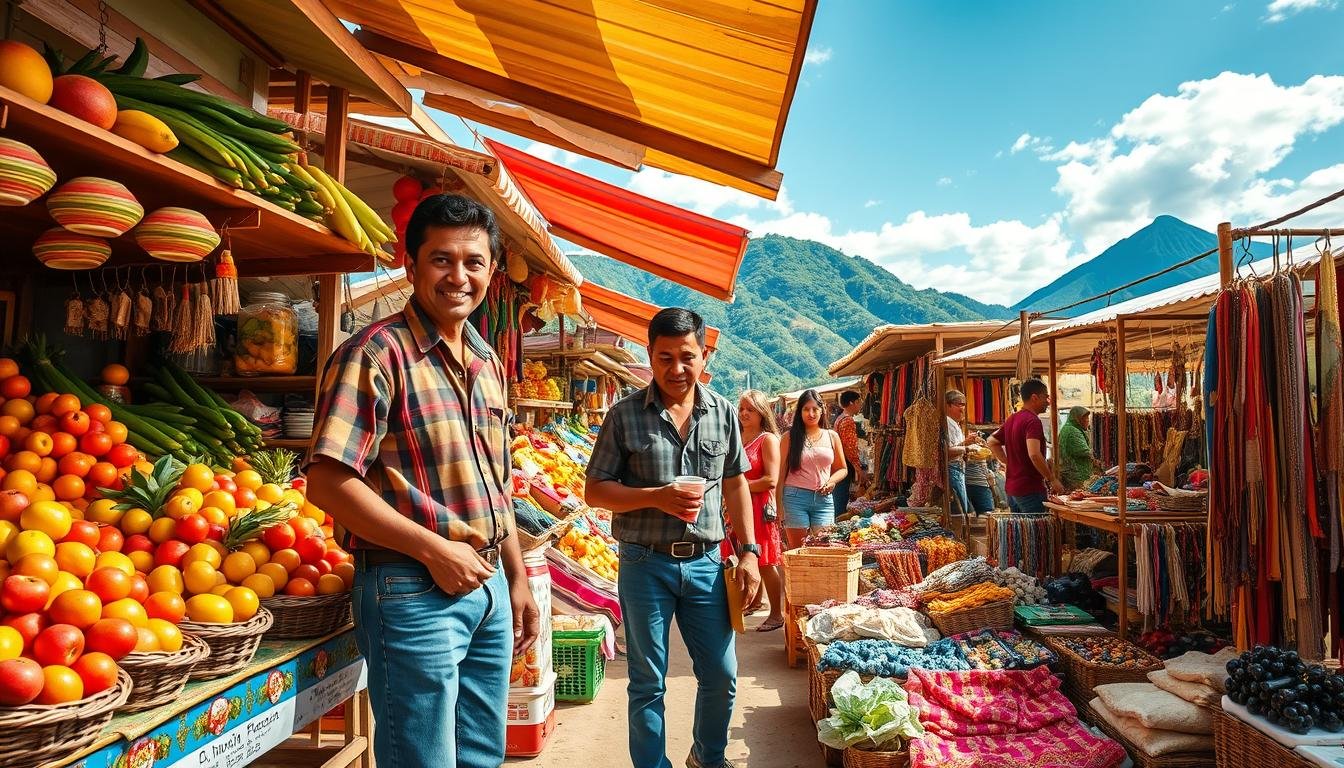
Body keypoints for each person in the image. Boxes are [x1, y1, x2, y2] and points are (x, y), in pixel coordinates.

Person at [304, 194, 540, 768]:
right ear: (410, 266)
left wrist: (517, 577)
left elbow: (496, 485)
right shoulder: (374, 354)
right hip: (411, 590)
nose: (459, 276)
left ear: (491, 270)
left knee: (481, 756)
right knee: (423, 759)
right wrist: (435, 550)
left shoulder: (486, 361)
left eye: (474, 262)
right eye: (441, 260)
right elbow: (328, 483)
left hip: (487, 589)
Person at [585, 307, 762, 768]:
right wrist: (656, 497)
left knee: (721, 676)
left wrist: (748, 552)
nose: (677, 369)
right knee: (648, 681)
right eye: (665, 358)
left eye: (687, 357)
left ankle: (708, 757)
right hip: (645, 564)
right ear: (650, 355)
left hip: (707, 564)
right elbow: (595, 489)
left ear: (704, 355)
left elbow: (736, 482)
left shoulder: (722, 412)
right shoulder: (624, 416)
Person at [721, 389, 785, 632]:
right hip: (738, 506)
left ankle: (776, 614)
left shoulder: (767, 439)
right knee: (742, 556)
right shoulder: (737, 436)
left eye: (750, 409)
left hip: (759, 507)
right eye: (742, 409)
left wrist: (738, 486)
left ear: (761, 412)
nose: (744, 413)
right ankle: (754, 601)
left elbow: (771, 479)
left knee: (766, 560)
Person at [776, 390, 848, 549]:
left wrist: (831, 481)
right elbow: (780, 474)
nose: (811, 413)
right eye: (806, 409)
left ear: (822, 410)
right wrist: (778, 506)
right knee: (798, 551)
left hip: (824, 499)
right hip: (794, 498)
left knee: (823, 550)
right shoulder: (789, 437)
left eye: (815, 409)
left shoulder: (832, 436)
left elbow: (842, 469)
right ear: (799, 411)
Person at [987, 378, 1065, 514]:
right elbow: (1034, 454)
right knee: (1036, 533)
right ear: (1034, 397)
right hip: (1030, 489)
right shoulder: (1032, 421)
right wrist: (1052, 479)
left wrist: (1008, 463)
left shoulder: (1013, 418)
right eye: (1045, 397)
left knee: (1019, 533)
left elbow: (991, 441)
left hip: (1012, 489)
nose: (1048, 402)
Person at [944, 389, 980, 518]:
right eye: (959, 404)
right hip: (952, 469)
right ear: (948, 405)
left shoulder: (954, 424)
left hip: (957, 469)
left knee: (962, 509)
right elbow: (947, 451)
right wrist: (968, 448)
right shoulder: (947, 423)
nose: (963, 408)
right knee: (960, 511)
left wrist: (966, 442)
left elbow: (954, 447)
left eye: (964, 405)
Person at [831, 390, 865, 518]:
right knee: (841, 498)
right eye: (859, 402)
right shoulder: (848, 420)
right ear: (852, 402)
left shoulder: (840, 418)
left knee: (839, 496)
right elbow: (849, 447)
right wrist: (858, 467)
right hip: (845, 463)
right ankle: (838, 525)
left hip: (839, 461)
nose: (860, 405)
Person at [1058, 406, 1099, 490]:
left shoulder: (1070, 428)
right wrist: (1095, 459)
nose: (1087, 420)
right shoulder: (1072, 431)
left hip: (1071, 474)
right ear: (1077, 419)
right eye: (1085, 417)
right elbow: (1084, 451)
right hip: (1075, 476)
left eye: (1088, 417)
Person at [964, 444, 997, 514]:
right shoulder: (980, 452)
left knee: (969, 515)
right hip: (981, 486)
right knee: (986, 514)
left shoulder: (965, 453)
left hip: (966, 485)